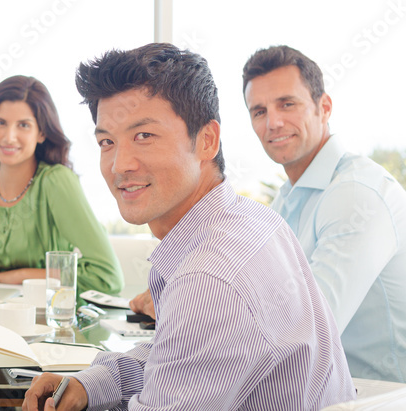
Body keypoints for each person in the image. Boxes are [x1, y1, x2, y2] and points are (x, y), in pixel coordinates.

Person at [24, 43, 354, 411]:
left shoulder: (209, 279)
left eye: (144, 136)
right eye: (107, 142)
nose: (120, 164)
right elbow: (178, 356)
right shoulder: (252, 220)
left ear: (207, 141)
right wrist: (90, 384)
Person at [243, 45, 406, 382]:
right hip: (327, 389)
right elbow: (264, 299)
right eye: (259, 111)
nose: (273, 122)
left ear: (324, 107)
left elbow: (307, 333)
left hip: (381, 397)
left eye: (287, 104)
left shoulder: (355, 193)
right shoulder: (288, 199)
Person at [0, 75, 122, 294]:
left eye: (23, 125)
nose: (9, 137)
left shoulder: (57, 182)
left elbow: (107, 277)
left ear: (41, 133)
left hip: (46, 313)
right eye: (0, 123)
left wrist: (17, 277)